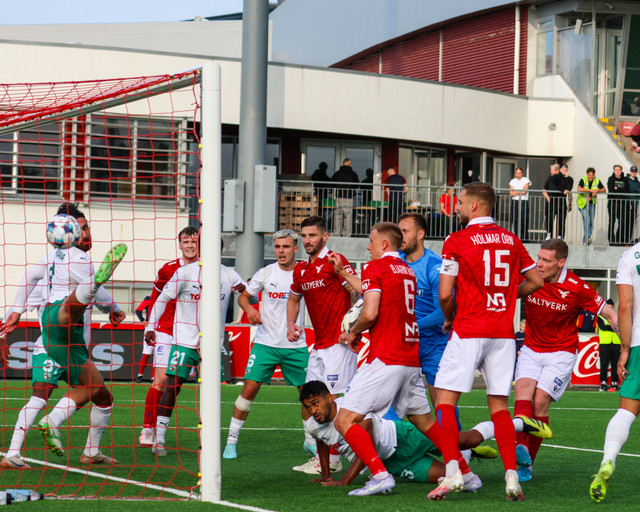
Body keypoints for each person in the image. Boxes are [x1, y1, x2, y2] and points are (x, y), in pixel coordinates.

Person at [432, 182, 544, 501]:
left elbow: (444, 293)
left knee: (444, 401)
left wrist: (450, 316)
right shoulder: (511, 239)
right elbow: (537, 280)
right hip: (503, 333)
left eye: (460, 202)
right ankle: (511, 476)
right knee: (499, 408)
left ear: (474, 206)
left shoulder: (456, 240)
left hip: (469, 328)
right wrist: (507, 297)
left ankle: (453, 471)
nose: (456, 207)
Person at [0, 203, 127, 466]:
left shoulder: (52, 260)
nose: (85, 233)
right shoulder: (77, 260)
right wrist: (113, 307)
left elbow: (27, 277)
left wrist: (16, 311)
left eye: (86, 227)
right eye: (80, 228)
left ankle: (89, 451)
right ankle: (24, 445)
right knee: (74, 303)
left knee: (100, 395)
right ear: (69, 232)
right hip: (56, 338)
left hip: (70, 344)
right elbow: (97, 294)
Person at [333, 222, 438, 496]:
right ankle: (462, 471)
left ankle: (380, 475)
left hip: (387, 356)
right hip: (410, 357)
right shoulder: (407, 270)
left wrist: (353, 331)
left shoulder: (375, 267)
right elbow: (378, 294)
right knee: (425, 422)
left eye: (371, 240)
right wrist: (344, 273)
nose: (368, 246)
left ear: (383, 244)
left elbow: (370, 313)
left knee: (344, 420)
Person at [301, 380, 550, 489]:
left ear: (329, 397)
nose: (314, 411)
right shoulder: (314, 425)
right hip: (395, 463)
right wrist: (325, 473)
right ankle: (467, 455)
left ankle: (516, 423)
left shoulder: (350, 408)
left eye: (315, 403)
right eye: (308, 407)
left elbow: (368, 447)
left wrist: (346, 479)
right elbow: (323, 443)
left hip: (404, 437)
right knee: (450, 478)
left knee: (468, 439)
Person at [513, 238, 617, 482]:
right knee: (522, 392)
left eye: (546, 260)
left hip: (560, 353)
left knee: (539, 402)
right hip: (531, 347)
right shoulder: (530, 276)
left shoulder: (577, 287)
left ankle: (527, 464)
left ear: (561, 263)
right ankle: (521, 449)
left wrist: (626, 344)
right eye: (538, 258)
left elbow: (609, 313)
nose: (539, 264)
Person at [223, 230, 310, 459]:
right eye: (278, 247)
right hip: (265, 343)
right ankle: (231, 441)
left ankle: (310, 441)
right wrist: (250, 310)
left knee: (308, 395)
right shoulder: (266, 272)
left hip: (296, 345)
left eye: (286, 247)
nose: (281, 251)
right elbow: (243, 297)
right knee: (249, 389)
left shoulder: (304, 272)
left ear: (296, 249)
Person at [147, 258, 244, 455]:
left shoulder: (229, 274)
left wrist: (245, 292)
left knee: (211, 394)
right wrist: (150, 327)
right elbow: (162, 299)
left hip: (212, 345)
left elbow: (252, 298)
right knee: (172, 387)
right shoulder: (185, 272)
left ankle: (209, 440)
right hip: (184, 341)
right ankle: (160, 438)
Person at [286, 215, 359, 473]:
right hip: (318, 346)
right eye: (304, 236)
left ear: (324, 236)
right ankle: (322, 459)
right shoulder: (301, 270)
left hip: (339, 345)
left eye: (313, 235)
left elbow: (358, 291)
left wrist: (353, 327)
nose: (307, 240)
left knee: (333, 403)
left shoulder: (335, 261)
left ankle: (339, 459)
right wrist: (291, 323)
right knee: (309, 400)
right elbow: (294, 298)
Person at [138, 226, 201, 446]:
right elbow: (156, 298)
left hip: (194, 332)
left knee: (181, 384)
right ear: (180, 244)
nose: (190, 246)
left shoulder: (209, 269)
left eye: (194, 241)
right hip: (166, 329)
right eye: (186, 242)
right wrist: (150, 326)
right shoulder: (168, 270)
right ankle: (148, 429)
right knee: (162, 380)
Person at [589, 241, 640, 502]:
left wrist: (625, 349)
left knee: (626, 412)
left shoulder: (630, 256)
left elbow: (625, 306)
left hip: (639, 344)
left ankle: (608, 460)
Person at [397, 213, 447, 406]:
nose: (400, 236)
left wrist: (411, 326)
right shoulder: (395, 262)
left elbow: (442, 313)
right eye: (399, 231)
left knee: (442, 402)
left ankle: (451, 427)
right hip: (403, 341)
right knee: (390, 397)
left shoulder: (434, 266)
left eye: (405, 231)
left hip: (433, 343)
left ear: (420, 234)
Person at [576, 167, 606, 245]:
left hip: (592, 203)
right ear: (587, 174)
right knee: (587, 220)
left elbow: (604, 189)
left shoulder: (597, 180)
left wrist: (597, 190)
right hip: (583, 203)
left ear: (594, 175)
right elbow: (579, 189)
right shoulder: (583, 179)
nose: (591, 176)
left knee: (591, 222)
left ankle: (586, 239)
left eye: (592, 175)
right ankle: (586, 240)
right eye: (589, 175)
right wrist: (591, 190)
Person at [331, 158, 359, 237]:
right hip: (348, 197)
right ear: (350, 164)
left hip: (339, 197)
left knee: (337, 216)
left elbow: (332, 182)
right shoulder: (353, 174)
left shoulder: (338, 173)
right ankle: (346, 235)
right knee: (348, 217)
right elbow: (356, 184)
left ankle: (336, 234)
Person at [598, 299, 621, 392]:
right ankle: (603, 382)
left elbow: (620, 327)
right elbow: (603, 327)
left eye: (611, 307)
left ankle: (614, 382)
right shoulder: (600, 316)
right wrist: (614, 327)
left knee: (615, 364)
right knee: (604, 364)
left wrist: (612, 327)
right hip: (605, 343)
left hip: (616, 343)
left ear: (613, 307)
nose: (610, 309)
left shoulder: (618, 316)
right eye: (608, 307)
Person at [607, 164, 630, 246]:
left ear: (621, 171)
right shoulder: (611, 179)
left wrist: (617, 188)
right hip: (612, 203)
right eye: (616, 170)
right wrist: (620, 189)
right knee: (612, 222)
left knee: (622, 221)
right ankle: (611, 240)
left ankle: (618, 239)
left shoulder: (625, 179)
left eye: (619, 170)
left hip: (622, 203)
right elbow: (611, 190)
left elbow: (626, 190)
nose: (617, 172)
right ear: (614, 171)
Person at [542, 164, 564, 239]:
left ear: (557, 171)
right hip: (551, 202)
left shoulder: (562, 178)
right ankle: (549, 234)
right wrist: (547, 197)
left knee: (561, 220)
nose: (550, 172)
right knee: (549, 219)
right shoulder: (549, 178)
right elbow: (544, 189)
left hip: (560, 203)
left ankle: (560, 236)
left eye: (552, 171)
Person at [509, 168, 531, 241]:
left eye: (519, 173)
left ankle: (524, 238)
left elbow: (524, 192)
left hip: (523, 201)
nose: (518, 175)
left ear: (522, 173)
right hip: (515, 201)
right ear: (515, 174)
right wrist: (520, 191)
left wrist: (515, 192)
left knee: (524, 220)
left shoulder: (526, 180)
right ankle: (516, 238)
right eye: (517, 173)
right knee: (515, 220)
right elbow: (511, 193)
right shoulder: (512, 181)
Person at [134, 295, 152, 383]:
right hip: (150, 328)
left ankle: (154, 378)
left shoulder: (167, 296)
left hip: (162, 328)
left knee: (159, 354)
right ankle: (140, 375)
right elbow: (138, 310)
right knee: (147, 353)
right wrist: (143, 320)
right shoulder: (149, 298)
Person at [627, 166, 640, 243]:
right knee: (626, 222)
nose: (633, 173)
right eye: (632, 171)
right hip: (627, 204)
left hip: (635, 204)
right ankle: (625, 240)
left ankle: (629, 240)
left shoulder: (638, 183)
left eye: (635, 172)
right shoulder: (626, 180)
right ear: (630, 172)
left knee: (632, 223)